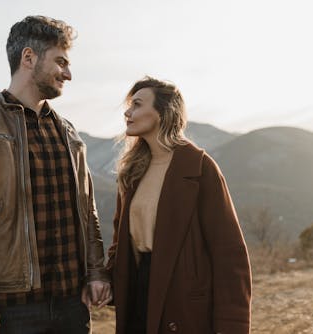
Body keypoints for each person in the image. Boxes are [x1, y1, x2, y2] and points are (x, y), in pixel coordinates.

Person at [0, 16, 111, 334]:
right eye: (61, 61)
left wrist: (96, 272)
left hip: (73, 308)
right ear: (29, 57)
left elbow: (88, 215)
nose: (69, 74)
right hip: (11, 311)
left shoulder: (69, 133)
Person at [106, 76, 252, 334]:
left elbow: (229, 254)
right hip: (139, 292)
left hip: (183, 300)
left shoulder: (199, 168)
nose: (128, 112)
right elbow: (120, 242)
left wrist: (233, 326)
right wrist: (105, 279)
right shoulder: (132, 171)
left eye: (137, 105)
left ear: (163, 113)